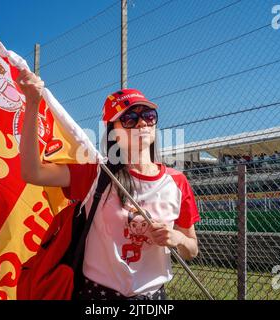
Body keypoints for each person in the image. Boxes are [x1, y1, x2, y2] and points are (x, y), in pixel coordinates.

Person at [17, 69, 200, 300]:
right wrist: (32, 103)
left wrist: (178, 239)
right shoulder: (95, 174)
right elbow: (33, 172)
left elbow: (192, 249)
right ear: (114, 132)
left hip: (154, 299)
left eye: (149, 116)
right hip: (97, 296)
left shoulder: (177, 182)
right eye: (130, 118)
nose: (142, 122)